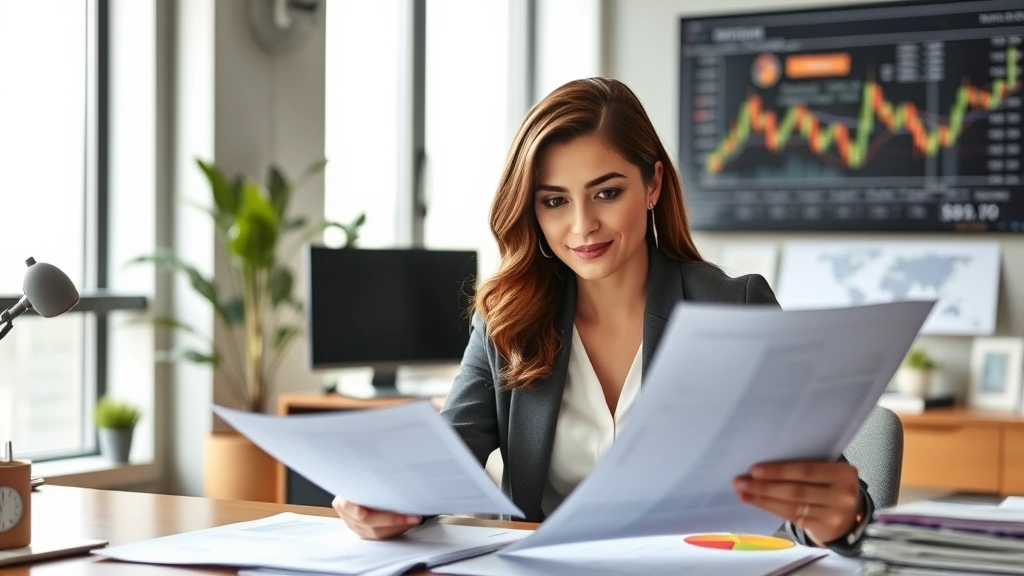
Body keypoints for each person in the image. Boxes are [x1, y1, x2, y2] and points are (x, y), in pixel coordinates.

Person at [333, 77, 871, 553]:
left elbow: (827, 495)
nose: (582, 226)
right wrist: (389, 501)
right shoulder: (508, 321)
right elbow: (443, 463)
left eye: (606, 193)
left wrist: (840, 517)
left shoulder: (734, 307)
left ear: (653, 185)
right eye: (554, 201)